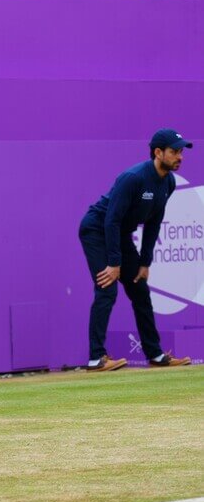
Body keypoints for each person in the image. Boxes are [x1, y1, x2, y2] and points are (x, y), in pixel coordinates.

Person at [78, 128, 193, 372]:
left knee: (140, 291)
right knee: (106, 288)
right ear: (158, 152)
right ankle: (96, 358)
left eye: (181, 152)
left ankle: (156, 354)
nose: (180, 157)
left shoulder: (168, 182)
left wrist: (145, 262)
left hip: (119, 234)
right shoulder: (133, 178)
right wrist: (114, 262)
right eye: (174, 152)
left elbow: (154, 221)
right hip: (97, 230)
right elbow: (111, 220)